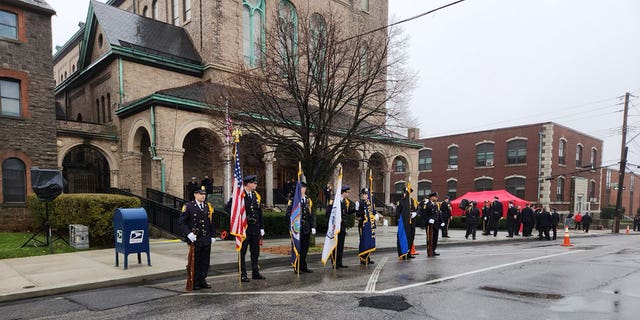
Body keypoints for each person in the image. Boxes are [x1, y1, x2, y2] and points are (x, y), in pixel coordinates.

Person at [225, 175, 265, 282]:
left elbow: (259, 212)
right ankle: (243, 273)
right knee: (242, 252)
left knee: (255, 252)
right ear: (248, 184)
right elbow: (229, 208)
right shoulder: (239, 195)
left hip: (255, 229)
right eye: (254, 183)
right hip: (244, 229)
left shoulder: (256, 195)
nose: (255, 185)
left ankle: (255, 272)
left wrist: (262, 227)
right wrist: (243, 218)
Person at [178, 187, 215, 290]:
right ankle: (195, 281)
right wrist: (188, 234)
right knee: (196, 261)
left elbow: (211, 222)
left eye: (204, 194)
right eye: (200, 194)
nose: (203, 195)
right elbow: (181, 222)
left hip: (206, 237)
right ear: (195, 195)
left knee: (205, 260)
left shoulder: (208, 206)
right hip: (195, 238)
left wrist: (213, 235)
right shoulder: (188, 206)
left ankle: (203, 280)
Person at [287, 182, 315, 273]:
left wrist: (312, 226)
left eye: (304, 188)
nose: (303, 189)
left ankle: (303, 266)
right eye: (301, 188)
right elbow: (288, 214)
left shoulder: (308, 200)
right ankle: (296, 266)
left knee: (305, 248)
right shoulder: (293, 200)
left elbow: (311, 215)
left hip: (306, 228)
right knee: (297, 248)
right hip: (297, 229)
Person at [328, 185, 355, 268]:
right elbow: (329, 213)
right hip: (335, 226)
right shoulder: (334, 201)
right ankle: (334, 262)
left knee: (341, 245)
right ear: (343, 192)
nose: (348, 194)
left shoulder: (344, 201)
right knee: (335, 245)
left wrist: (355, 209)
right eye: (348, 192)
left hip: (342, 226)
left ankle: (339, 262)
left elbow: (346, 212)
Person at [395, 186, 417, 259]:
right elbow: (397, 213)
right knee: (404, 238)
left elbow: (415, 209)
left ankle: (409, 253)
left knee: (411, 238)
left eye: (409, 193)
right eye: (407, 193)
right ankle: (403, 253)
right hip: (404, 224)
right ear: (404, 193)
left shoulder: (412, 201)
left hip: (411, 223)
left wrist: (415, 213)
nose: (408, 194)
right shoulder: (401, 202)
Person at [356, 188, 376, 265]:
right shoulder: (360, 203)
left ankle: (368, 257)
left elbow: (373, 211)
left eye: (367, 194)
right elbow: (358, 214)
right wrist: (362, 211)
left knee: (369, 241)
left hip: (370, 225)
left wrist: (375, 214)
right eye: (364, 194)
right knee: (363, 241)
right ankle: (363, 258)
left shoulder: (370, 203)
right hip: (363, 225)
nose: (365, 196)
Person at [419, 192, 442, 257]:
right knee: (430, 238)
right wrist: (429, 219)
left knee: (435, 238)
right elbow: (423, 214)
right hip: (429, 225)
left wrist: (440, 221)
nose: (437, 198)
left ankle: (433, 250)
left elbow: (437, 214)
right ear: (431, 197)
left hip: (435, 224)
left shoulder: (435, 204)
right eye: (435, 197)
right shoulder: (427, 204)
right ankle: (429, 250)